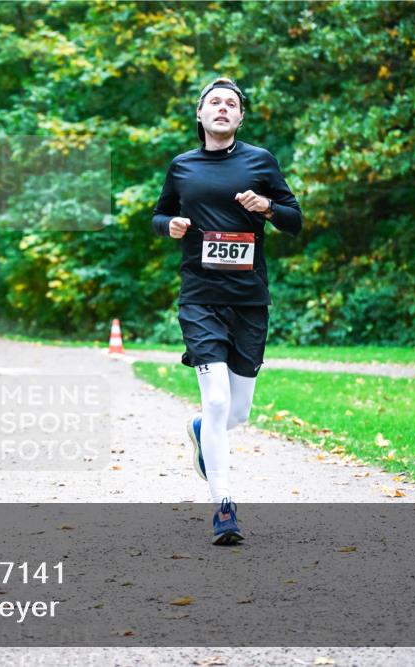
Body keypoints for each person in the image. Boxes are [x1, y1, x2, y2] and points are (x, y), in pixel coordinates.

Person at [151, 77, 303, 545]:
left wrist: (269, 207)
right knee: (216, 400)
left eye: (230, 104)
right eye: (213, 102)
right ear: (200, 116)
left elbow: (295, 220)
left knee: (236, 412)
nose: (222, 108)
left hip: (249, 300)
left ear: (240, 118)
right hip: (199, 295)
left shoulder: (260, 162)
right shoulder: (183, 166)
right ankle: (224, 506)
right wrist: (170, 225)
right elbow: (158, 216)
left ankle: (201, 430)